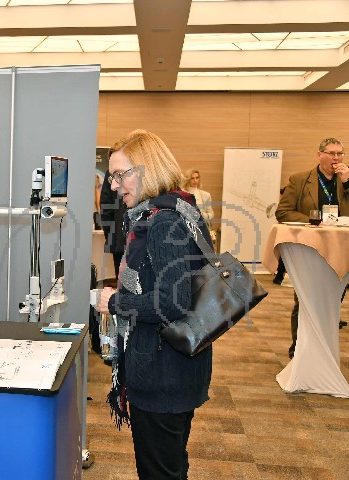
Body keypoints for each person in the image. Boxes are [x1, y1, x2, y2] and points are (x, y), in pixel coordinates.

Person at [96, 130, 212, 480]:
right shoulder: (178, 209)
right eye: (112, 177)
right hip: (176, 365)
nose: (113, 186)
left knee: (159, 470)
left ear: (147, 170)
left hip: (164, 373)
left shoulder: (163, 222)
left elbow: (172, 302)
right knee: (170, 465)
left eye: (120, 175)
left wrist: (116, 302)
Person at [275, 137, 349, 357]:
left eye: (340, 154)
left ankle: (323, 350)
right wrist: (313, 221)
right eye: (331, 153)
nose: (336, 158)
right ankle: (298, 350)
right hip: (309, 250)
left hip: (339, 252)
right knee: (304, 300)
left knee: (332, 302)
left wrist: (348, 182)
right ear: (320, 155)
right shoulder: (300, 180)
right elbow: (282, 212)